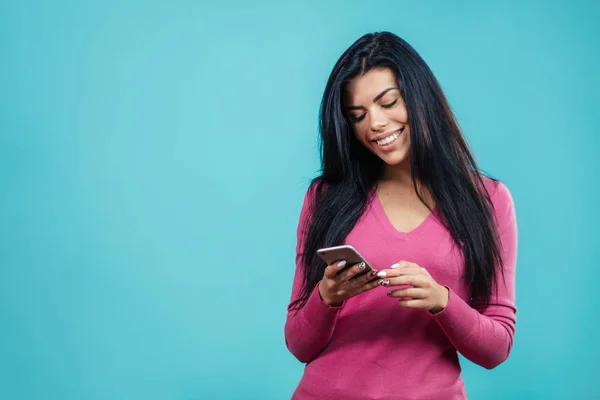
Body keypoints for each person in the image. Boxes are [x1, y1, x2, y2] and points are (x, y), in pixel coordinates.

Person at [284, 31, 518, 400]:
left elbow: (496, 349)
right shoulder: (325, 198)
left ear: (420, 96)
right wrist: (327, 296)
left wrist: (442, 300)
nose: (374, 124)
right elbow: (298, 343)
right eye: (357, 115)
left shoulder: (488, 200)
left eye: (388, 102)